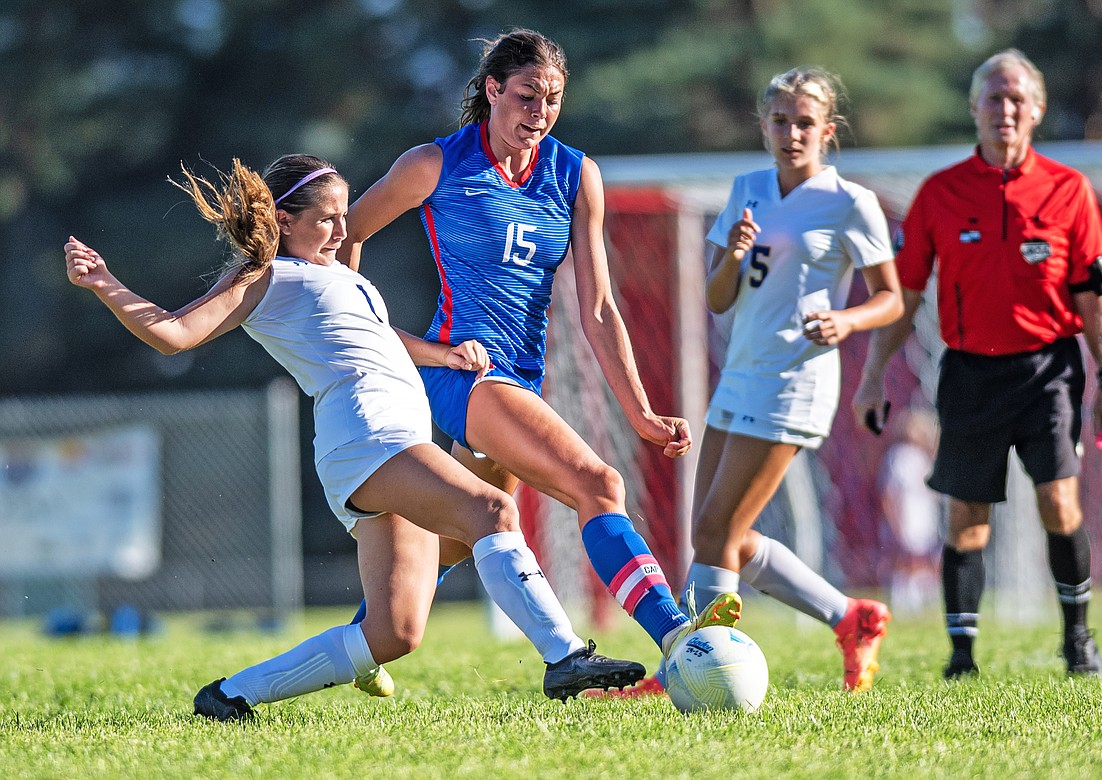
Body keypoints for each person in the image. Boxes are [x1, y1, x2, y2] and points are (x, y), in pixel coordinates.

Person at [65, 154, 654, 721]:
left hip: (390, 438)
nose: (343, 229)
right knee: (492, 507)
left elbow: (377, 335)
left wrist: (442, 355)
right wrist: (105, 283)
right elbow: (174, 332)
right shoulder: (264, 276)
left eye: (345, 215)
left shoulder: (340, 275)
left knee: (394, 633)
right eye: (326, 218)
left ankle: (231, 693)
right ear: (283, 221)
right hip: (369, 438)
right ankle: (565, 656)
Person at [339, 27, 742, 683]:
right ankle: (681, 644)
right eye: (526, 96)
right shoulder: (434, 164)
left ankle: (362, 642)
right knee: (599, 485)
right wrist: (367, 339)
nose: (539, 113)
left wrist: (640, 412)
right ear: (493, 89)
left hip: (523, 379)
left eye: (552, 100)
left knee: (457, 539)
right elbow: (347, 235)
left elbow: (601, 308)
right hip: (466, 375)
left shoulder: (576, 173)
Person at [853, 49, 1102, 678]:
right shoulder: (941, 193)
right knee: (965, 514)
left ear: (1034, 111)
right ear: (973, 108)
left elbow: (1095, 296)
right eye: (992, 98)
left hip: (1049, 371)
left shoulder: (1068, 191)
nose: (1004, 110)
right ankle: (961, 656)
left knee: (1060, 503)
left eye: (1016, 100)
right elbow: (905, 295)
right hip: (971, 370)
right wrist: (873, 376)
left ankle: (1079, 641)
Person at [661, 66, 902, 695]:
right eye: (780, 120)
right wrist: (734, 254)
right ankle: (852, 617)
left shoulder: (851, 202)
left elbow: (892, 299)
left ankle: (690, 669)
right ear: (764, 125)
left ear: (828, 129)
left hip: (795, 381)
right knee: (719, 538)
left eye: (804, 122)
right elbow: (717, 299)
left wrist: (847, 320)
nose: (792, 133)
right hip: (740, 375)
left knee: (718, 531)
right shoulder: (747, 189)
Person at [879, 407, 944, 616]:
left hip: (924, 514)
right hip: (907, 515)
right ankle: (904, 598)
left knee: (925, 556)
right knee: (906, 558)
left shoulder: (923, 457)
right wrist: (894, 521)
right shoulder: (899, 456)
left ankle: (922, 595)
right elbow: (890, 493)